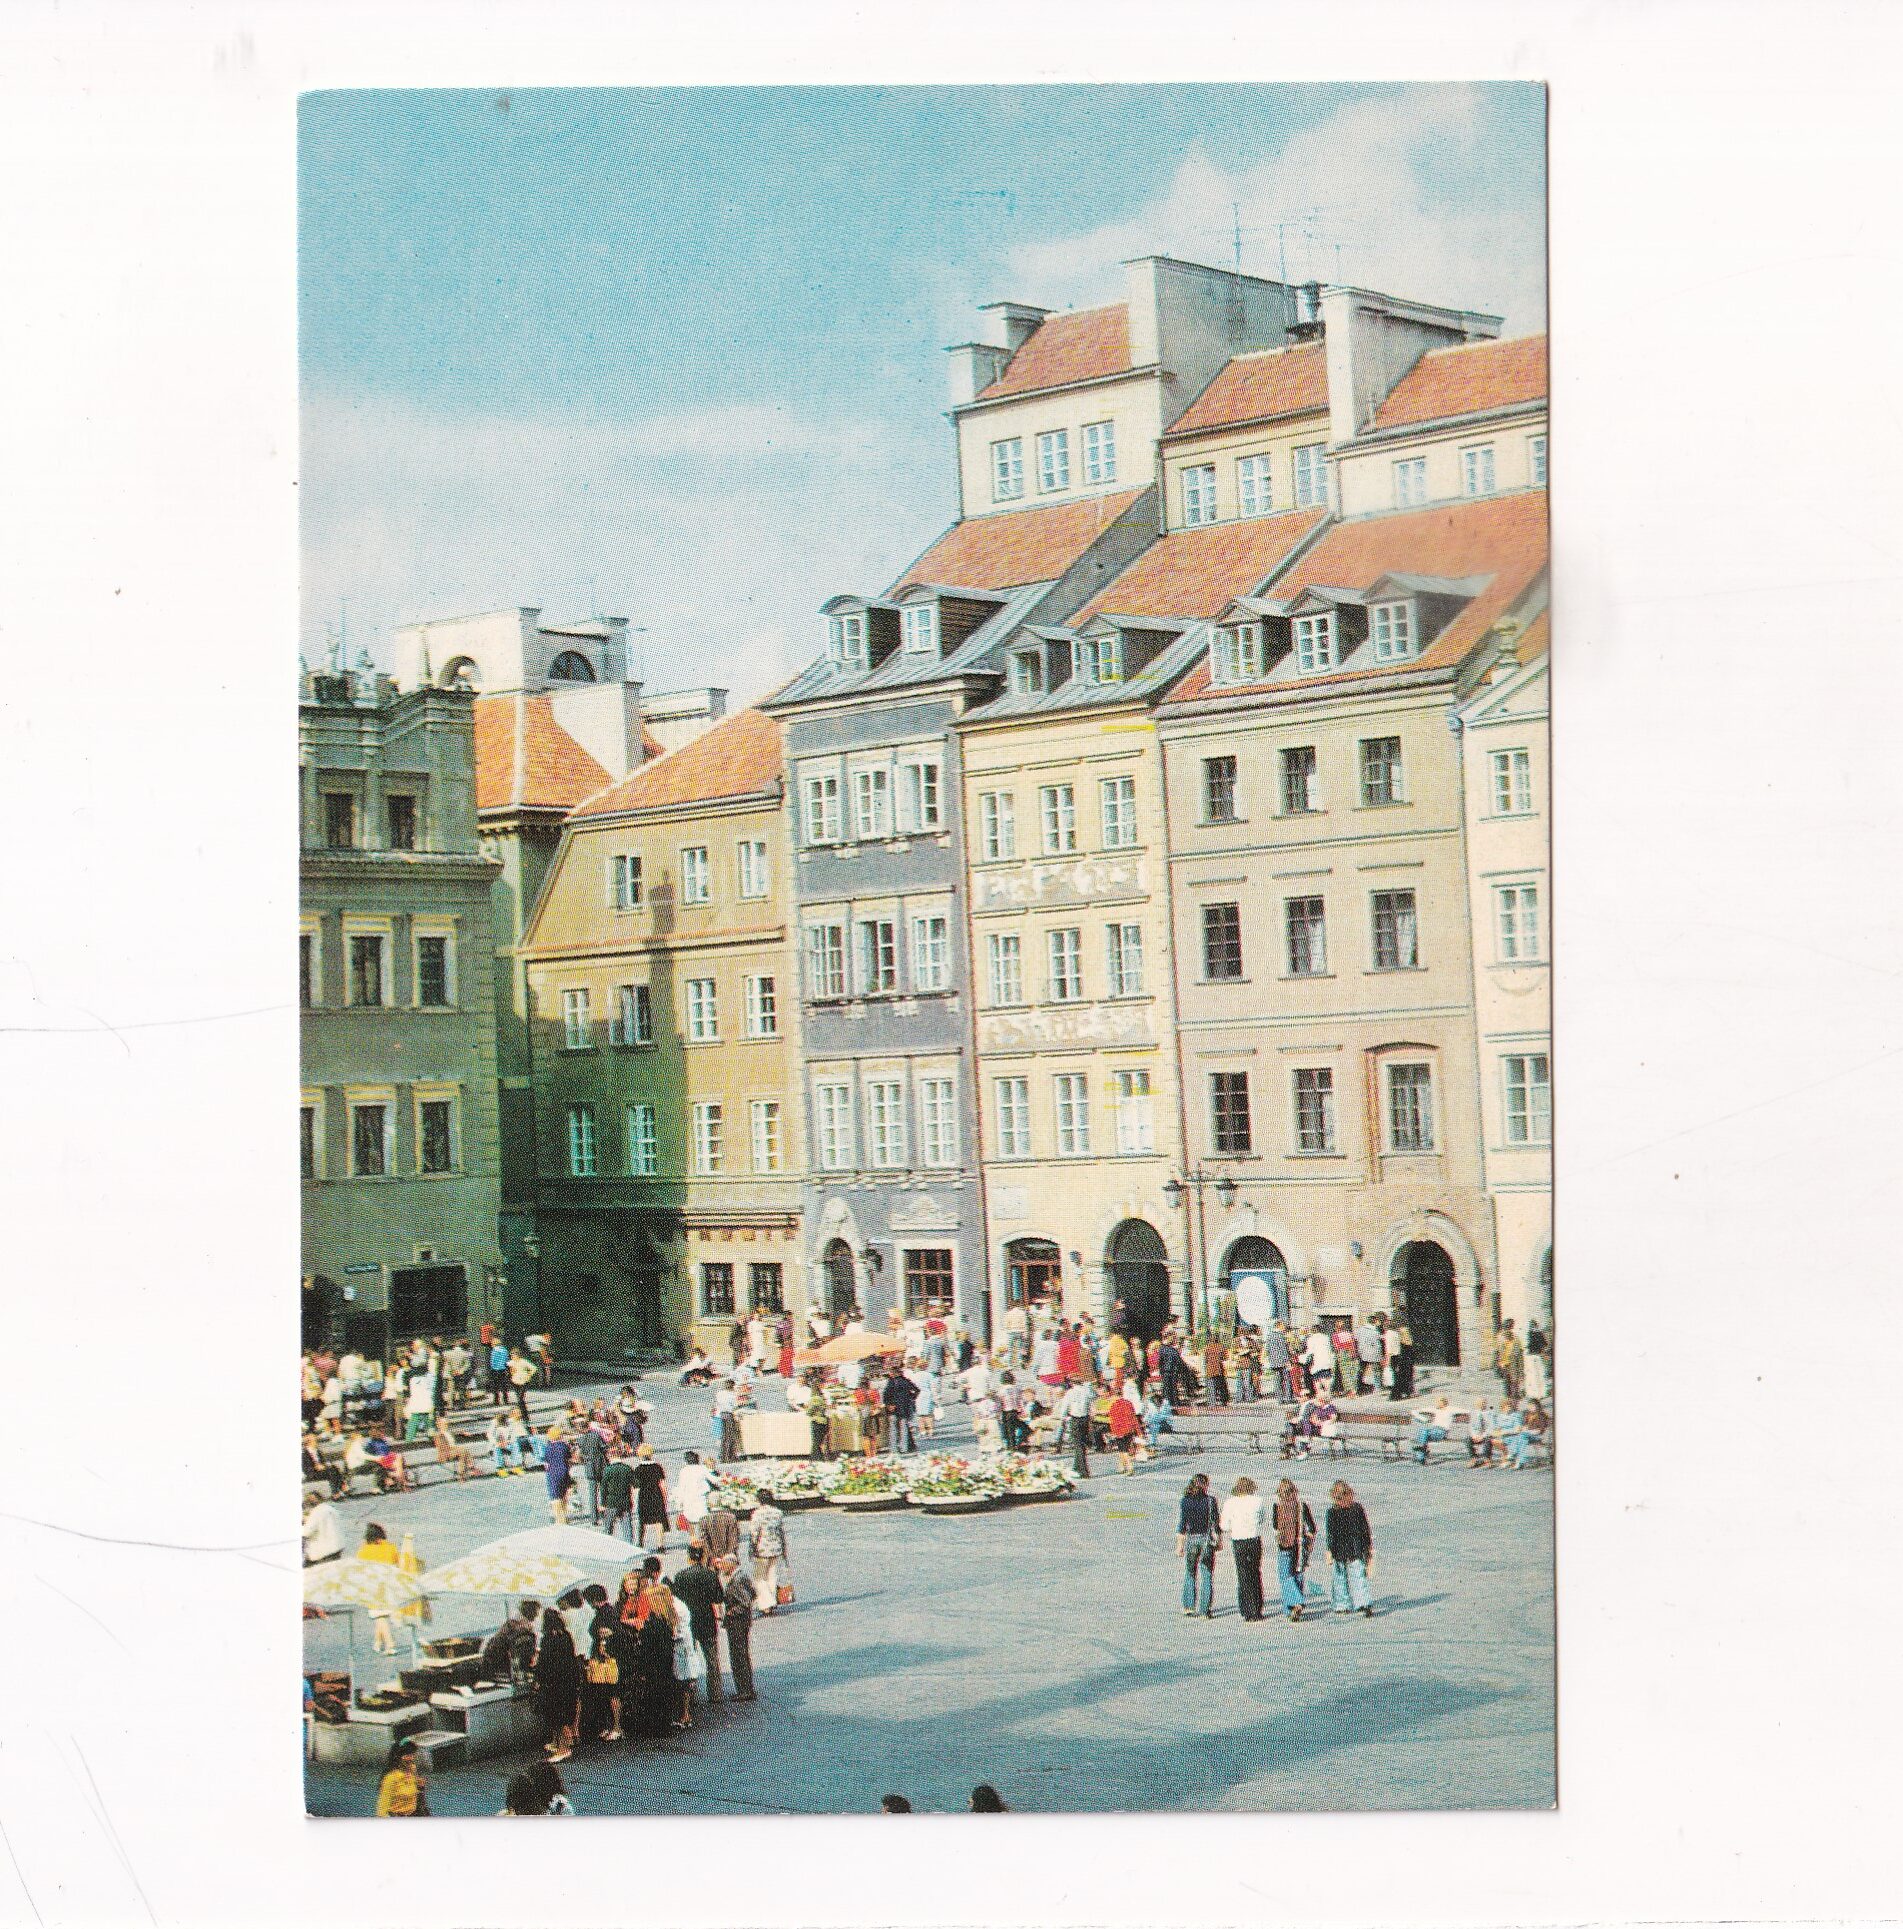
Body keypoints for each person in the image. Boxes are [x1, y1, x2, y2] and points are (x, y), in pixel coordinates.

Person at [671, 1543, 724, 1704]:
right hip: (707, 1620)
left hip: (689, 1623)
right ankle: (715, 1694)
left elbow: (676, 1601)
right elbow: (718, 1598)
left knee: (689, 1659)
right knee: (712, 1659)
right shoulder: (710, 1575)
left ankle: (692, 1696)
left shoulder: (680, 1576)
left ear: (689, 1557)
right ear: (702, 1557)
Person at [534, 1604, 581, 1763]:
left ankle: (563, 1749)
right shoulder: (566, 1635)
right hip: (567, 1681)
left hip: (553, 1683)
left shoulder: (548, 1639)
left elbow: (543, 1663)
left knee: (556, 1718)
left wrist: (538, 1679)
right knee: (563, 1716)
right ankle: (561, 1745)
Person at [1325, 1480, 1375, 1618]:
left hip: (1351, 1548)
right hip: (1344, 1549)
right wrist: (1330, 1550)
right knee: (1346, 1577)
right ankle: (1350, 1604)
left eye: (1343, 1496)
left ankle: (1356, 1603)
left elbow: (1364, 1529)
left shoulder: (1354, 1509)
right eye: (1339, 1498)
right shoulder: (1335, 1511)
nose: (1342, 1500)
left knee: (1353, 1577)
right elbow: (1331, 1533)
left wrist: (1367, 1546)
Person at [1220, 1476, 1268, 1621]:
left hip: (1238, 1540)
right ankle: (1257, 1609)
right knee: (1255, 1572)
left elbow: (1224, 1526)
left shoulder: (1230, 1503)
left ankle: (1247, 1610)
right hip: (1254, 1539)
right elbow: (1261, 1519)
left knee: (1243, 1575)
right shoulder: (1258, 1501)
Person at [1272, 1478, 1316, 1621]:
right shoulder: (1301, 1506)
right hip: (1300, 1544)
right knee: (1298, 1574)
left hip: (1284, 1544)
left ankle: (1295, 1603)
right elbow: (1312, 1527)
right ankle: (1291, 1607)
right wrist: (1308, 1539)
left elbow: (1275, 1526)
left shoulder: (1277, 1506)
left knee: (1285, 1576)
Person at [1177, 1472, 1220, 1617]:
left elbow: (1183, 1524)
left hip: (1192, 1539)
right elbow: (1216, 1524)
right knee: (1207, 1574)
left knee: (1190, 1572)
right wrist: (1219, 1541)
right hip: (1206, 1539)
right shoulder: (1211, 1501)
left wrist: (1180, 1546)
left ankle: (1189, 1606)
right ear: (1205, 1485)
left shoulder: (1185, 1501)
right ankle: (1204, 1609)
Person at [357, 1523, 402, 1653]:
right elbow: (398, 1563)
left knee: (379, 1616)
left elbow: (360, 1568)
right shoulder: (390, 1547)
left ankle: (390, 1644)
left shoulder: (364, 1550)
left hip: (373, 1586)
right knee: (381, 1616)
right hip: (388, 1585)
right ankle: (377, 1642)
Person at [718, 1553, 757, 1701]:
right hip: (742, 1622)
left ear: (731, 1564)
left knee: (738, 1657)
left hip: (737, 1623)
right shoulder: (742, 1576)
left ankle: (744, 1690)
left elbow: (745, 1602)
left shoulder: (737, 1580)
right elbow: (753, 1594)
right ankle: (747, 1688)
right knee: (742, 1655)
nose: (722, 1567)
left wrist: (731, 1612)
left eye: (724, 1564)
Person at [750, 1494, 788, 1611]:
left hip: (762, 1550)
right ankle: (770, 1603)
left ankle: (767, 1602)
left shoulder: (757, 1514)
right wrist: (784, 1549)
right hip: (776, 1548)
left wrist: (752, 1549)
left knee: (759, 1578)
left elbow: (754, 1533)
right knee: (772, 1576)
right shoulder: (778, 1513)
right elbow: (781, 1532)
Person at [375, 1737, 427, 1817]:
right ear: (397, 1756)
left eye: (412, 1754)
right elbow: (382, 1810)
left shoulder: (412, 1768)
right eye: (407, 1755)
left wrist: (420, 1787)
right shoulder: (390, 1777)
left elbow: (416, 1796)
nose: (411, 1758)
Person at [632, 1443, 669, 1548]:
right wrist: (665, 1498)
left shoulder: (638, 1469)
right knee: (659, 1520)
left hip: (644, 1496)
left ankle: (640, 1542)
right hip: (657, 1495)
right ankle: (660, 1545)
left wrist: (634, 1499)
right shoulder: (657, 1467)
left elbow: (635, 1487)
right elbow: (663, 1485)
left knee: (642, 1520)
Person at [1058, 1376, 1094, 1478]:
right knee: (1082, 1444)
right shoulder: (1087, 1392)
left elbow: (1065, 1407)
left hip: (1075, 1419)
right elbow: (1091, 1404)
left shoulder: (1070, 1393)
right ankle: (1076, 1467)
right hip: (1085, 1418)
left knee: (1078, 1444)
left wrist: (1063, 1418)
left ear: (1072, 1383)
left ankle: (1083, 1470)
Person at [676, 1449, 713, 1538]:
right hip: (700, 1498)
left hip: (688, 1499)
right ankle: (703, 1538)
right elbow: (713, 1479)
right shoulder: (702, 1469)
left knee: (690, 1520)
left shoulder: (684, 1471)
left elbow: (681, 1487)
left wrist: (679, 1502)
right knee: (702, 1519)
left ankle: (693, 1539)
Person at [883, 1361, 919, 1454]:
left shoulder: (891, 1382)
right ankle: (904, 1448)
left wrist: (888, 1404)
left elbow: (886, 1395)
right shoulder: (906, 1381)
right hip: (904, 1407)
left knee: (893, 1429)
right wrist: (911, 1398)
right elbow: (917, 1390)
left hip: (893, 1408)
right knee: (904, 1428)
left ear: (893, 1373)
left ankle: (893, 1449)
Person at [301, 1491, 344, 1566]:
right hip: (337, 1548)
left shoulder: (316, 1512)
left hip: (323, 1553)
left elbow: (306, 1532)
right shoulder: (331, 1509)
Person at [543, 1424, 573, 1524]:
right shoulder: (564, 1446)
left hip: (552, 1474)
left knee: (555, 1496)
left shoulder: (548, 1448)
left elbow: (546, 1464)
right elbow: (569, 1460)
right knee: (564, 1495)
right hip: (564, 1472)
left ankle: (559, 1519)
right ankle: (564, 1516)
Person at [1106, 1387, 1140, 1475]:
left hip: (1120, 1430)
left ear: (1114, 1395)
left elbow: (1114, 1420)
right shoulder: (1129, 1403)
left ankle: (1129, 1467)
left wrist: (1114, 1432)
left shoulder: (1114, 1406)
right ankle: (1121, 1466)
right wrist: (1138, 1430)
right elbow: (1133, 1417)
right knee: (1123, 1449)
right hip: (1130, 1429)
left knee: (1123, 1450)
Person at [1411, 1393, 1454, 1462]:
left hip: (1442, 1432)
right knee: (1423, 1432)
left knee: (1423, 1433)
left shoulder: (1450, 1410)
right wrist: (1423, 1418)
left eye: (1439, 1401)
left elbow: (1467, 1411)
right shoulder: (1435, 1409)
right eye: (1437, 1401)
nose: (1437, 1403)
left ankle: (1420, 1454)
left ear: (1444, 1403)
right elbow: (1415, 1411)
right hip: (1433, 1431)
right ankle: (1421, 1453)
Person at [432, 1419, 478, 1484]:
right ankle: (470, 1468)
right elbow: (442, 1448)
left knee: (463, 1452)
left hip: (453, 1450)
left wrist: (463, 1433)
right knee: (462, 1451)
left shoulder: (448, 1432)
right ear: (439, 1425)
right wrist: (454, 1449)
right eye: (444, 1424)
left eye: (446, 1424)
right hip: (445, 1453)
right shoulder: (438, 1435)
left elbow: (456, 1432)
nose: (446, 1425)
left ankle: (462, 1474)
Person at [1466, 1396, 1499, 1469]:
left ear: (1485, 1403)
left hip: (1487, 1434)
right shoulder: (1473, 1413)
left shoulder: (1490, 1413)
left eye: (1483, 1402)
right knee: (1468, 1439)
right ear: (1476, 1404)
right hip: (1476, 1435)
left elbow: (1491, 1427)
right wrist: (1474, 1435)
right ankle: (1473, 1459)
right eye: (1479, 1402)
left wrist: (1482, 1436)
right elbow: (1471, 1426)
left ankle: (1487, 1459)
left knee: (1488, 1440)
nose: (1481, 1404)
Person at [1525, 1320, 1551, 1401]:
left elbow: (1529, 1346)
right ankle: (1541, 1393)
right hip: (1538, 1356)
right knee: (1540, 1374)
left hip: (1531, 1357)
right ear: (1537, 1325)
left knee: (1533, 1376)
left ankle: (1533, 1394)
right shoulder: (1539, 1333)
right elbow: (1544, 1345)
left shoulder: (1529, 1334)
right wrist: (1545, 1354)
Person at [1202, 1333, 1229, 1406]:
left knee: (1211, 1386)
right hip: (1219, 1369)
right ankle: (1223, 1401)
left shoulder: (1207, 1347)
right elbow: (1225, 1358)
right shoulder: (1221, 1347)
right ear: (1218, 1339)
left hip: (1210, 1369)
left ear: (1211, 1339)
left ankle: (1211, 1402)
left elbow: (1205, 1359)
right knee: (1221, 1386)